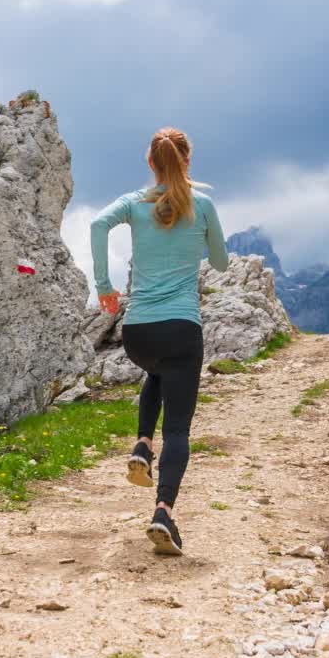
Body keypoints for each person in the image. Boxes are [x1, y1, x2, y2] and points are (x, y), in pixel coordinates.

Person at [89, 127, 228, 556]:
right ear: (188, 160)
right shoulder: (202, 204)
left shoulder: (134, 203)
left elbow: (96, 224)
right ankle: (163, 511)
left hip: (139, 332)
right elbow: (222, 263)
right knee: (180, 429)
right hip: (181, 327)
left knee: (157, 372)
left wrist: (104, 285)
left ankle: (143, 444)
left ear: (150, 162)